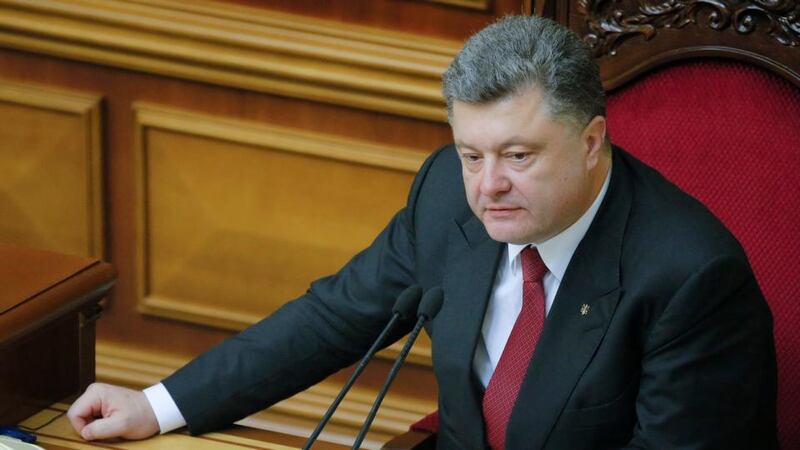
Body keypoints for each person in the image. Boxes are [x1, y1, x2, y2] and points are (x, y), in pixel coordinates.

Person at [68, 15, 778, 449]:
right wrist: (160, 405)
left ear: (592, 141)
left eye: (518, 156)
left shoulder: (691, 277)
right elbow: (334, 316)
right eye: (473, 154)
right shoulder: (447, 194)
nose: (487, 186)